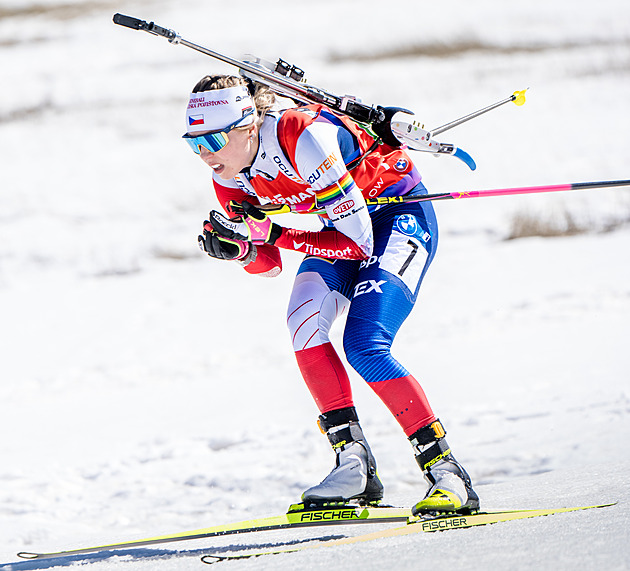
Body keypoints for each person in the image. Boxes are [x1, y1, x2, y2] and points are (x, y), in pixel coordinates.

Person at [185, 74, 479, 515]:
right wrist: (240, 249)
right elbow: (268, 263)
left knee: (363, 344)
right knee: (302, 322)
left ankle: (446, 471)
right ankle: (353, 463)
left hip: (397, 218)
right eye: (194, 144)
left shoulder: (300, 136)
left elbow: (358, 244)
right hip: (339, 230)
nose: (204, 155)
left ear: (248, 126)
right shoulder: (229, 177)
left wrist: (273, 232)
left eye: (212, 140)